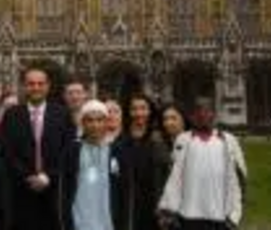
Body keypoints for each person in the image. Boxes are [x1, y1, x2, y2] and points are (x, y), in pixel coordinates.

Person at [0, 66, 74, 230]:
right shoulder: (12, 115)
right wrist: (28, 176)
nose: (36, 88)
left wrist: (47, 177)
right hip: (22, 190)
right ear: (24, 86)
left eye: (40, 84)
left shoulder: (62, 114)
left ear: (48, 86)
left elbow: (68, 151)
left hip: (54, 189)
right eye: (31, 84)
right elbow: (7, 152)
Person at [158, 97, 247, 230]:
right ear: (192, 116)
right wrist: (168, 210)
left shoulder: (228, 140)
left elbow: (240, 180)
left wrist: (234, 216)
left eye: (207, 110)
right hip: (187, 218)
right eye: (198, 111)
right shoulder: (183, 140)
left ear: (214, 114)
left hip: (220, 218)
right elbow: (175, 177)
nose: (202, 115)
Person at [58, 100, 131, 230]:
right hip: (79, 224)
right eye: (89, 120)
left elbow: (126, 192)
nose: (95, 125)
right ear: (83, 123)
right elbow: (63, 191)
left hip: (109, 224)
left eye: (99, 120)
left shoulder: (118, 151)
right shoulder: (72, 150)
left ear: (106, 122)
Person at [127, 93, 170, 230]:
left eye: (143, 108)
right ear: (129, 112)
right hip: (129, 204)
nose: (139, 113)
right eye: (134, 109)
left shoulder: (159, 139)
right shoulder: (123, 138)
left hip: (153, 203)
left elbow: (166, 174)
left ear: (150, 111)